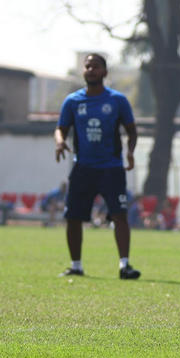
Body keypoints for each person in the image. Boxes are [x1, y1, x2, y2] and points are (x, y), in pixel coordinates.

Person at [54, 53, 141, 280]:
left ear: (104, 72)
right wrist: (60, 141)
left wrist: (130, 152)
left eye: (96, 66)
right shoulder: (73, 101)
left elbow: (131, 130)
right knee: (73, 217)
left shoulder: (117, 101)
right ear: (83, 71)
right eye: (87, 66)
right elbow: (61, 128)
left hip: (111, 168)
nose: (91, 70)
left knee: (119, 215)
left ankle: (124, 265)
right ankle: (76, 265)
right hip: (83, 167)